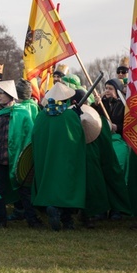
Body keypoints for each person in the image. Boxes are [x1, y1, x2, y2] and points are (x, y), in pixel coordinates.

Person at [0, 80, 41, 228]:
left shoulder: (22, 113)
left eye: (2, 93)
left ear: (10, 95)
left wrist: (26, 157)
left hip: (17, 159)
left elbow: (29, 136)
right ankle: (0, 220)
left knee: (24, 190)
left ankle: (32, 219)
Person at [33, 82, 86, 230]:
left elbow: (36, 137)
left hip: (47, 160)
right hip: (66, 159)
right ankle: (66, 218)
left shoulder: (41, 116)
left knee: (50, 184)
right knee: (67, 186)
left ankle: (52, 207)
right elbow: (78, 137)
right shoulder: (70, 115)